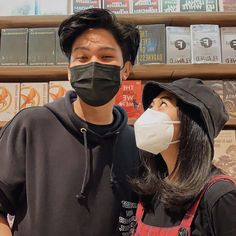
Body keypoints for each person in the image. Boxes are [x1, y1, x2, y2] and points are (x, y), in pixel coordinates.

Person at [0, 8, 140, 236]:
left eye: (106, 57)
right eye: (82, 58)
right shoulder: (31, 126)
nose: (93, 65)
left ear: (125, 70)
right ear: (69, 71)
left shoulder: (135, 144)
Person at [131, 78, 236, 235]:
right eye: (151, 106)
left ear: (191, 122)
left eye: (163, 104)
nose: (149, 114)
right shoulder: (151, 193)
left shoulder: (220, 196)